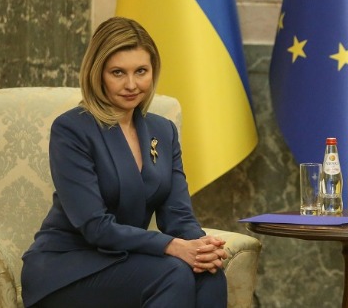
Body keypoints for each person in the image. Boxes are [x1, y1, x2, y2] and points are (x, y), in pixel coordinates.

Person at [21, 17, 228, 308]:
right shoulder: (72, 129)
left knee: (208, 274)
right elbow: (95, 226)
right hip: (66, 267)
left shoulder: (163, 131)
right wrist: (172, 246)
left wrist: (201, 248)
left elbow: (178, 215)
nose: (131, 84)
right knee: (173, 273)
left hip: (128, 259)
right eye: (118, 72)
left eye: (141, 71)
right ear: (97, 74)